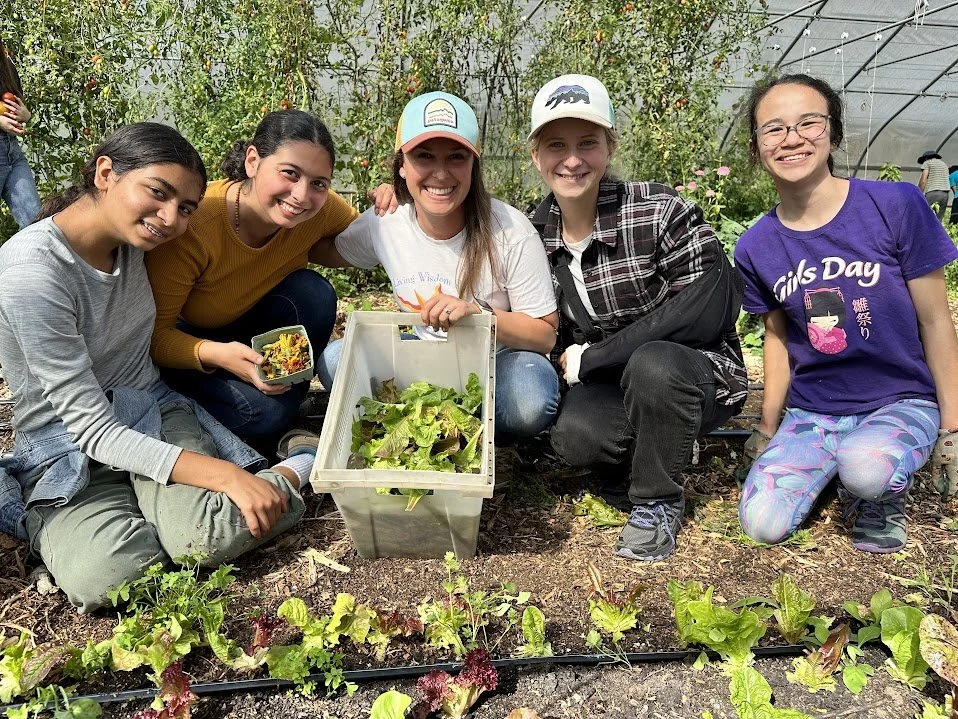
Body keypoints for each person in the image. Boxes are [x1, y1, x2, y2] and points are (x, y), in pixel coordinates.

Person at [0, 124, 315, 613]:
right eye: (157, 193)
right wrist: (226, 477)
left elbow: (253, 220)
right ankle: (113, 523)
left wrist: (389, 202)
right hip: (66, 443)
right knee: (107, 577)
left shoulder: (139, 244)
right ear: (105, 172)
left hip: (151, 411)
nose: (170, 219)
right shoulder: (32, 272)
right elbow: (91, 429)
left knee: (210, 537)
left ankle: (303, 462)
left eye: (186, 207)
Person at [526, 75, 747, 562]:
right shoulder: (533, 232)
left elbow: (710, 306)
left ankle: (657, 500)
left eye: (588, 143)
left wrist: (598, 356)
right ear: (536, 154)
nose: (573, 159)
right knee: (576, 435)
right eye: (556, 145)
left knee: (654, 365)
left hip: (694, 372)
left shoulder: (658, 210)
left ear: (610, 147)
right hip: (612, 382)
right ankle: (657, 445)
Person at [735, 74, 958, 553]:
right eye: (773, 129)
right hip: (814, 411)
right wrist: (767, 427)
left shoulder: (895, 205)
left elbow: (937, 321)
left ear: (832, 133)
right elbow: (776, 341)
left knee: (868, 468)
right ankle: (830, 470)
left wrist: (952, 427)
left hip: (900, 400)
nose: (792, 138)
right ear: (757, 148)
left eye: (808, 123)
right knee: (762, 524)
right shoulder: (757, 245)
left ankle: (872, 491)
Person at [315, 91, 560, 439]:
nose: (441, 173)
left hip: (490, 368)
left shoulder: (510, 230)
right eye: (424, 156)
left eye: (457, 157)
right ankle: (448, 425)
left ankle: (438, 426)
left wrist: (479, 315)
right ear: (402, 165)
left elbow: (545, 334)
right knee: (334, 361)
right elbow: (323, 250)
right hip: (417, 359)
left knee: (529, 396)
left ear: (473, 166)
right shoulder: (386, 222)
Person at [146, 110, 381, 442]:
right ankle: (201, 408)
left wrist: (388, 205)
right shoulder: (196, 227)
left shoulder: (320, 208)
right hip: (190, 347)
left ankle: (285, 390)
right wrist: (218, 354)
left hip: (248, 323)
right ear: (253, 161)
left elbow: (367, 238)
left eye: (318, 183)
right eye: (289, 173)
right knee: (262, 416)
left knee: (314, 292)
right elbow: (153, 338)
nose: (301, 195)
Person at [0, 38, 42, 229]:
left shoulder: (7, 65)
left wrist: (26, 115)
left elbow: (17, 106)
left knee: (35, 221)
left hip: (12, 152)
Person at [917, 149, 951, 221]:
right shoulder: (944, 164)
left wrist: (918, 192)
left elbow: (923, 180)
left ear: (926, 158)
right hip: (945, 194)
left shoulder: (927, 163)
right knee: (938, 219)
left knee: (925, 216)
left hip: (933, 193)